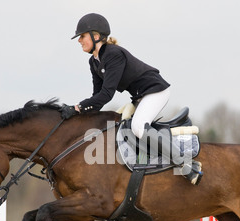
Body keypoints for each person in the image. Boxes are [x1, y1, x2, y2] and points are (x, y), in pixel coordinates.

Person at [63, 13, 202, 185]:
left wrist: (78, 107)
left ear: (96, 36)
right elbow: (97, 98)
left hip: (156, 91)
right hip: (140, 96)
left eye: (82, 36)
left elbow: (107, 94)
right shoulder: (94, 62)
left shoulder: (113, 54)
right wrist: (79, 115)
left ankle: (187, 164)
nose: (79, 40)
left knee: (138, 127)